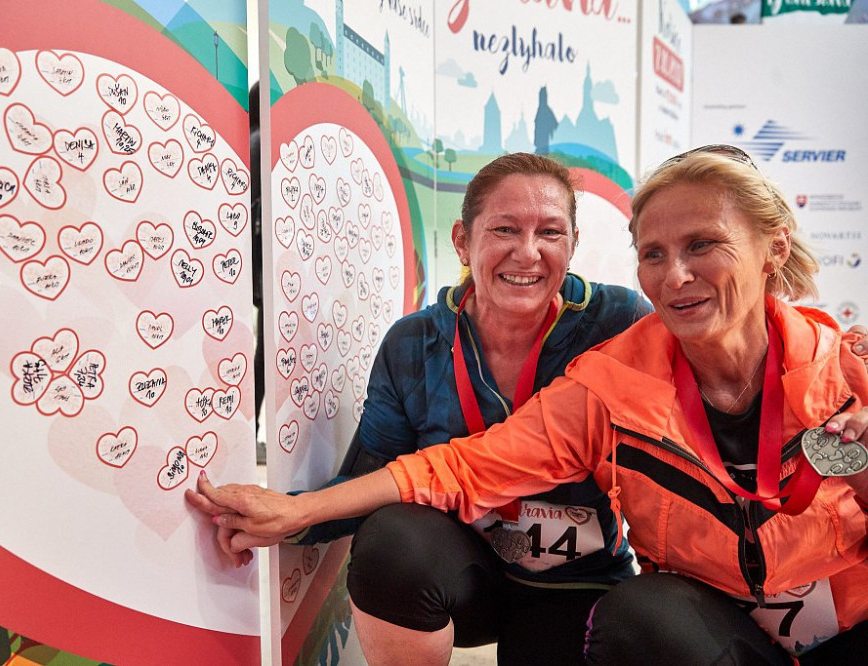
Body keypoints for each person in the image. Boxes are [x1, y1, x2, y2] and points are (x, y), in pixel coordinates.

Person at [188, 145, 868, 664]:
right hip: (636, 612)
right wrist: (293, 514)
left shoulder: (840, 367)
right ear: (464, 242)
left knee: (637, 613)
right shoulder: (610, 377)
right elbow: (454, 466)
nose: (676, 277)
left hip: (618, 590)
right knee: (631, 613)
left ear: (773, 247)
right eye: (654, 254)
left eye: (703, 245)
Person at [224, 152, 649, 664]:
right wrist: (285, 518)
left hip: (579, 586)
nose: (528, 252)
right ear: (462, 241)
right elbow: (373, 477)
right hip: (464, 575)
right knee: (390, 543)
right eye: (505, 229)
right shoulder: (414, 343)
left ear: (573, 243)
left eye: (550, 233)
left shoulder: (620, 324)